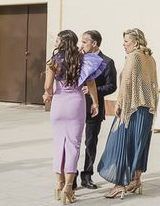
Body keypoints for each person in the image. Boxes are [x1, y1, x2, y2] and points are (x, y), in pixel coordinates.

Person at [44, 30, 104, 204]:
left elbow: (48, 87)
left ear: (62, 43)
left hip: (58, 104)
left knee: (58, 145)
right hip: (76, 103)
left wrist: (48, 94)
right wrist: (95, 103)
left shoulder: (53, 61)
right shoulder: (83, 59)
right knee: (73, 145)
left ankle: (58, 184)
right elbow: (90, 83)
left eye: (56, 40)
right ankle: (68, 187)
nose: (55, 42)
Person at [98, 28, 158, 199]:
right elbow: (152, 84)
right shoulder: (150, 58)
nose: (123, 44)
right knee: (139, 144)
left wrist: (119, 103)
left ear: (136, 42)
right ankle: (136, 180)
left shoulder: (134, 56)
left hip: (132, 108)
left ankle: (119, 184)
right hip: (147, 109)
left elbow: (127, 82)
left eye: (126, 41)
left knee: (122, 144)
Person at [77, 30, 117, 190]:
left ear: (94, 43)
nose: (81, 45)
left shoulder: (107, 62)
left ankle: (87, 175)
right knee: (74, 143)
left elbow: (112, 86)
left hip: (94, 108)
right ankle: (70, 177)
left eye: (85, 42)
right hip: (76, 106)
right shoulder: (78, 60)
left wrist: (94, 90)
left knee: (90, 142)